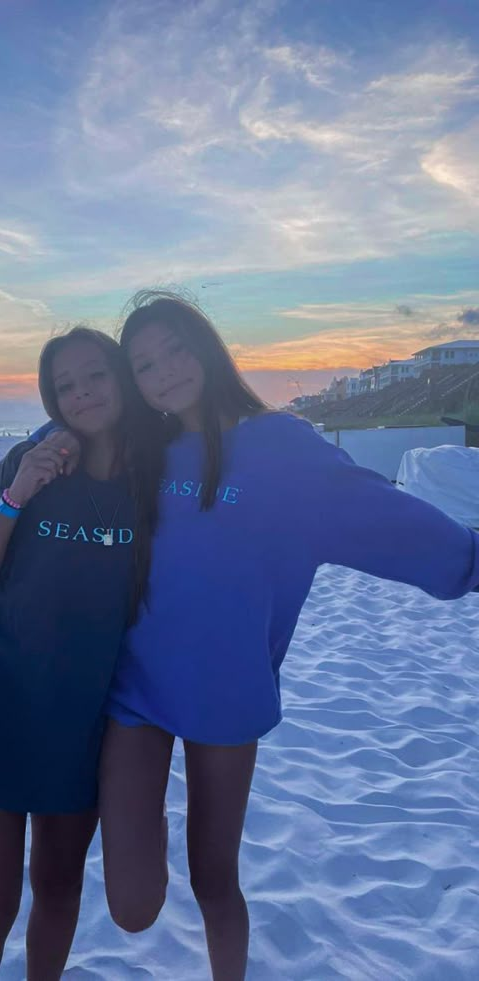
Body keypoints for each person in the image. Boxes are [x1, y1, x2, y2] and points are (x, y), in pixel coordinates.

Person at [94, 291, 479, 981]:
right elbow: (67, 432)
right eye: (145, 364)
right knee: (131, 904)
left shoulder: (281, 447)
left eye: (177, 349)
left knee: (215, 879)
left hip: (228, 694)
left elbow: (382, 515)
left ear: (207, 347)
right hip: (136, 691)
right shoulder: (137, 453)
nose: (166, 372)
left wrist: (469, 560)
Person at [0, 326, 148, 980]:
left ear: (120, 376)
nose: (81, 394)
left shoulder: (153, 473)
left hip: (86, 725)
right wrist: (17, 490)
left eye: (95, 376)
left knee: (59, 888)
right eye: (65, 385)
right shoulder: (33, 457)